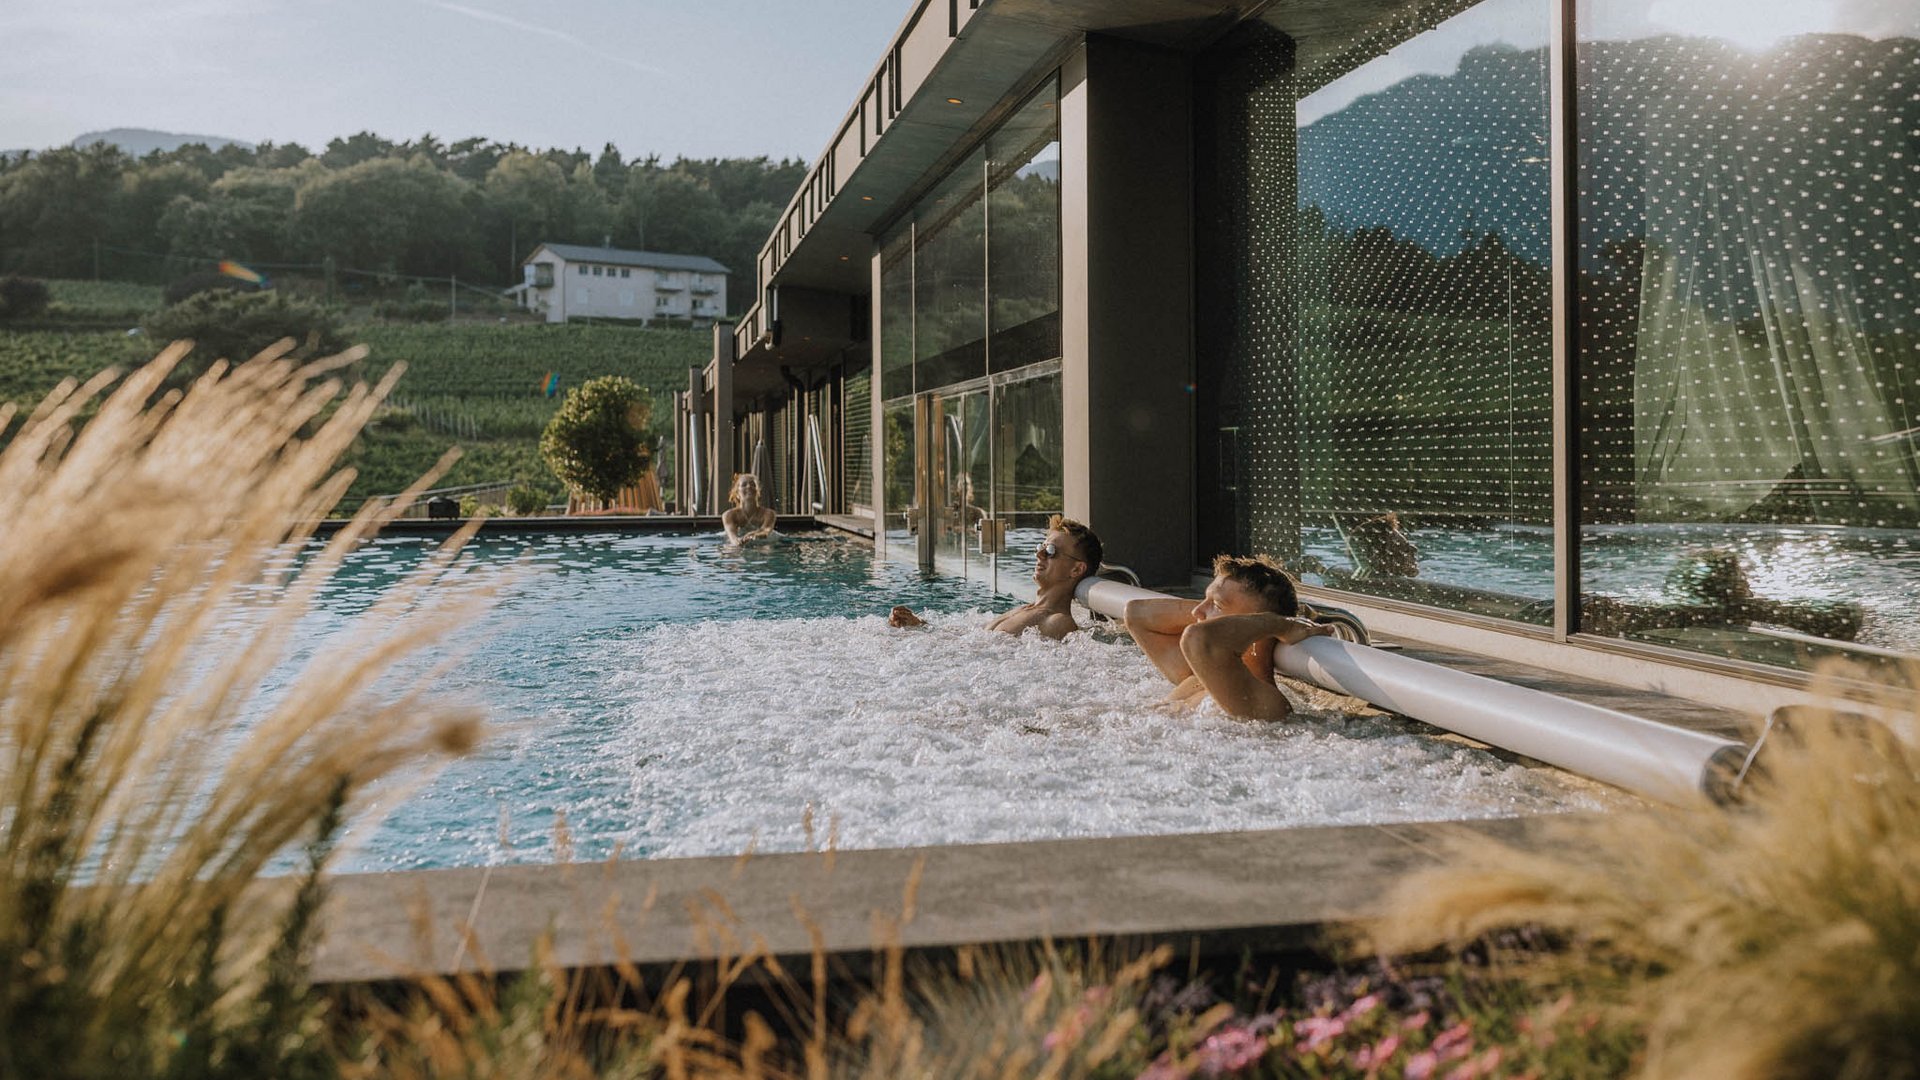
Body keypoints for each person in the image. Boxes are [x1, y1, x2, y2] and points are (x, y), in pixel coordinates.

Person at [1124, 553, 1333, 721]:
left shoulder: (1263, 701)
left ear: (1252, 630)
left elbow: (1199, 638)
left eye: (1216, 605)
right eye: (1204, 599)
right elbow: (1136, 614)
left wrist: (1278, 624)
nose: (1196, 611)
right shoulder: (1198, 677)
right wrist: (1216, 607)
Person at [888, 515, 1103, 641]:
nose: (1039, 554)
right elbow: (971, 640)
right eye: (1041, 547)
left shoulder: (1059, 622)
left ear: (1076, 570)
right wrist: (920, 626)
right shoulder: (1025, 610)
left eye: (1051, 551)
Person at [721, 473, 777, 545]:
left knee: (767, 548)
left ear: (758, 491)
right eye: (744, 485)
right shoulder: (729, 515)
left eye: (753, 484)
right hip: (736, 545)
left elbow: (766, 531)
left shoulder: (768, 514)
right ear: (737, 493)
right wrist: (738, 542)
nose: (749, 487)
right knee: (729, 549)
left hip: (761, 544)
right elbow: (732, 536)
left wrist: (755, 534)